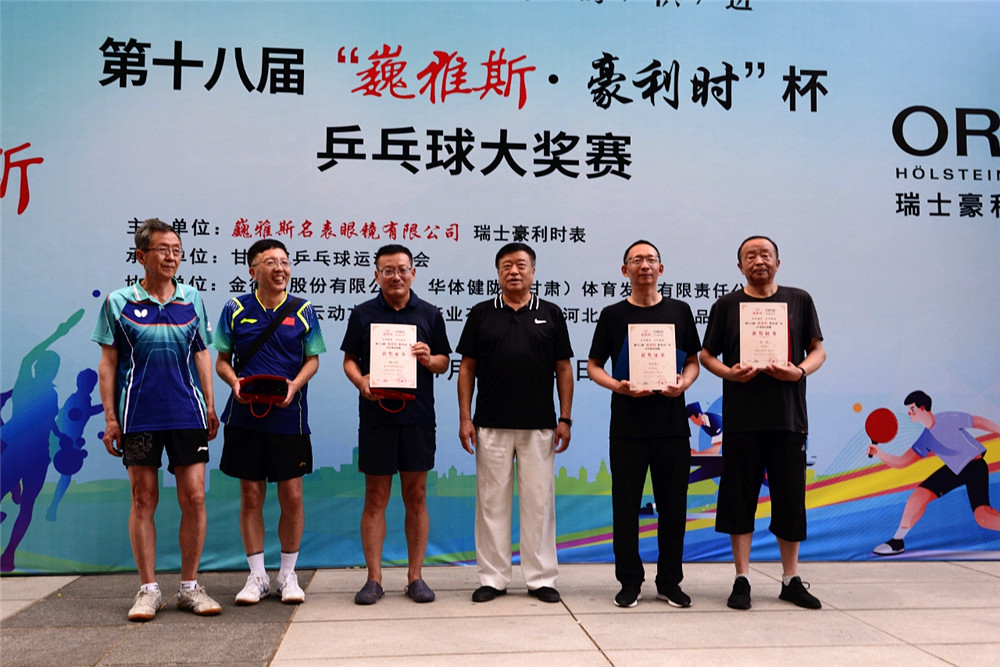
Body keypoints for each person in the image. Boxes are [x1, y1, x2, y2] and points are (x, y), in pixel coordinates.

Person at [92, 218, 221, 621]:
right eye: (162, 249)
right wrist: (111, 418)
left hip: (186, 413)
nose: (171, 257)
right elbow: (108, 363)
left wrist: (210, 405)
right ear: (141, 255)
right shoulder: (118, 302)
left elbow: (202, 353)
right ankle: (148, 591)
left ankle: (189, 587)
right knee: (143, 499)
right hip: (139, 415)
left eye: (176, 250)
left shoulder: (192, 298)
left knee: (195, 498)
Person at [699, 235, 826, 611]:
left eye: (765, 255)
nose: (759, 261)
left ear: (778, 262)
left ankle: (790, 579)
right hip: (742, 420)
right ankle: (742, 578)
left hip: (788, 419)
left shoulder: (799, 300)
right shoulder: (726, 305)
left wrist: (798, 371)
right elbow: (706, 355)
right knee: (739, 499)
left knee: (790, 500)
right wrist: (729, 373)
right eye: (750, 256)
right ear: (740, 266)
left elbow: (817, 350)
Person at [457, 242, 574, 604]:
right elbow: (467, 368)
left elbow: (564, 369)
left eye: (521, 265)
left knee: (539, 503)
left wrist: (565, 418)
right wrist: (465, 417)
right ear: (498, 273)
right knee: (491, 503)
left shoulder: (551, 313)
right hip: (490, 423)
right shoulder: (481, 313)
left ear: (533, 272)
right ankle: (493, 578)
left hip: (539, 425)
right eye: (507, 265)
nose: (514, 271)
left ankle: (540, 578)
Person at [587, 240, 701, 609]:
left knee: (673, 507)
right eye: (636, 260)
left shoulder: (680, 311)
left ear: (661, 268)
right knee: (625, 507)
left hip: (672, 426)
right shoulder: (612, 315)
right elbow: (593, 366)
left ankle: (669, 581)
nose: (645, 265)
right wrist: (617, 386)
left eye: (651, 259)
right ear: (625, 270)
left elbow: (693, 362)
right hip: (627, 427)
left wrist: (683, 383)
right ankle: (629, 581)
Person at [214, 239, 326, 605]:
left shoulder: (303, 310)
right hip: (245, 416)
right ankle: (257, 576)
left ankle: (287, 575)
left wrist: (295, 385)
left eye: (284, 262)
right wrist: (233, 382)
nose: (280, 268)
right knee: (251, 495)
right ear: (253, 271)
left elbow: (313, 359)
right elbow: (222, 361)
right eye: (270, 262)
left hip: (289, 417)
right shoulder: (235, 309)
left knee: (292, 496)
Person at [342, 244, 451, 605]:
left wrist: (429, 358)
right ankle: (374, 579)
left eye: (402, 269)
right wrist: (360, 381)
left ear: (413, 273)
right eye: (388, 271)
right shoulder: (362, 314)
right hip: (377, 417)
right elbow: (349, 361)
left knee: (416, 496)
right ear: (377, 275)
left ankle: (415, 577)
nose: (396, 276)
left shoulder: (430, 314)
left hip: (417, 417)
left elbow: (444, 362)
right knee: (375, 497)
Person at [868, 390, 1000, 555]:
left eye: (912, 409)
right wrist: (880, 454)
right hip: (954, 470)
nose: (909, 413)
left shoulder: (947, 418)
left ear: (923, 408)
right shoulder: (926, 438)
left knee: (983, 518)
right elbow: (903, 462)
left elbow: (978, 421)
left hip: (974, 466)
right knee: (917, 497)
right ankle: (897, 542)